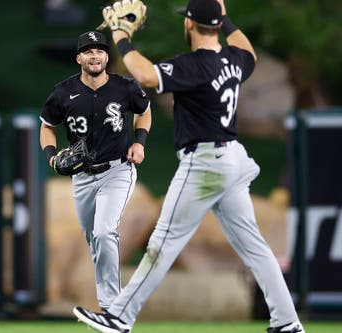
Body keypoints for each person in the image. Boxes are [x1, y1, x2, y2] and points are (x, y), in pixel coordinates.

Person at [73, 0, 305, 333]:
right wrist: (226, 21)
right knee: (254, 247)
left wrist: (121, 36)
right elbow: (248, 51)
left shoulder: (194, 65)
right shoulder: (233, 60)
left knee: (163, 241)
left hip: (206, 164)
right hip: (232, 159)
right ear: (216, 24)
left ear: (190, 25)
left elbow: (144, 74)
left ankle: (119, 317)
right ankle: (288, 322)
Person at [40, 30, 152, 310]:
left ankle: (112, 308)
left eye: (100, 51)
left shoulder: (125, 87)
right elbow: (47, 127)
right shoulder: (63, 92)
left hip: (118, 171)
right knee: (95, 241)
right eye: (89, 51)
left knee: (104, 233)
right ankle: (109, 306)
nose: (95, 55)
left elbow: (144, 111)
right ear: (79, 58)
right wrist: (52, 157)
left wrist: (139, 143)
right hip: (81, 177)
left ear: (106, 57)